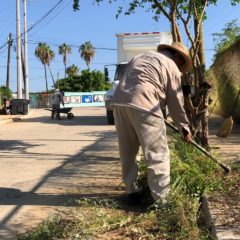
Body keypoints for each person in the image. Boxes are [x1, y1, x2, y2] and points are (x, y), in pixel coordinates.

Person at [112, 42, 192, 205]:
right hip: (145, 104)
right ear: (177, 57)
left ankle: (131, 192)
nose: (180, 67)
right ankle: (162, 200)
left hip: (120, 103)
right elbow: (176, 100)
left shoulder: (141, 56)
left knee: (128, 151)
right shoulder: (171, 65)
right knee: (157, 153)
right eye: (181, 64)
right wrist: (183, 126)